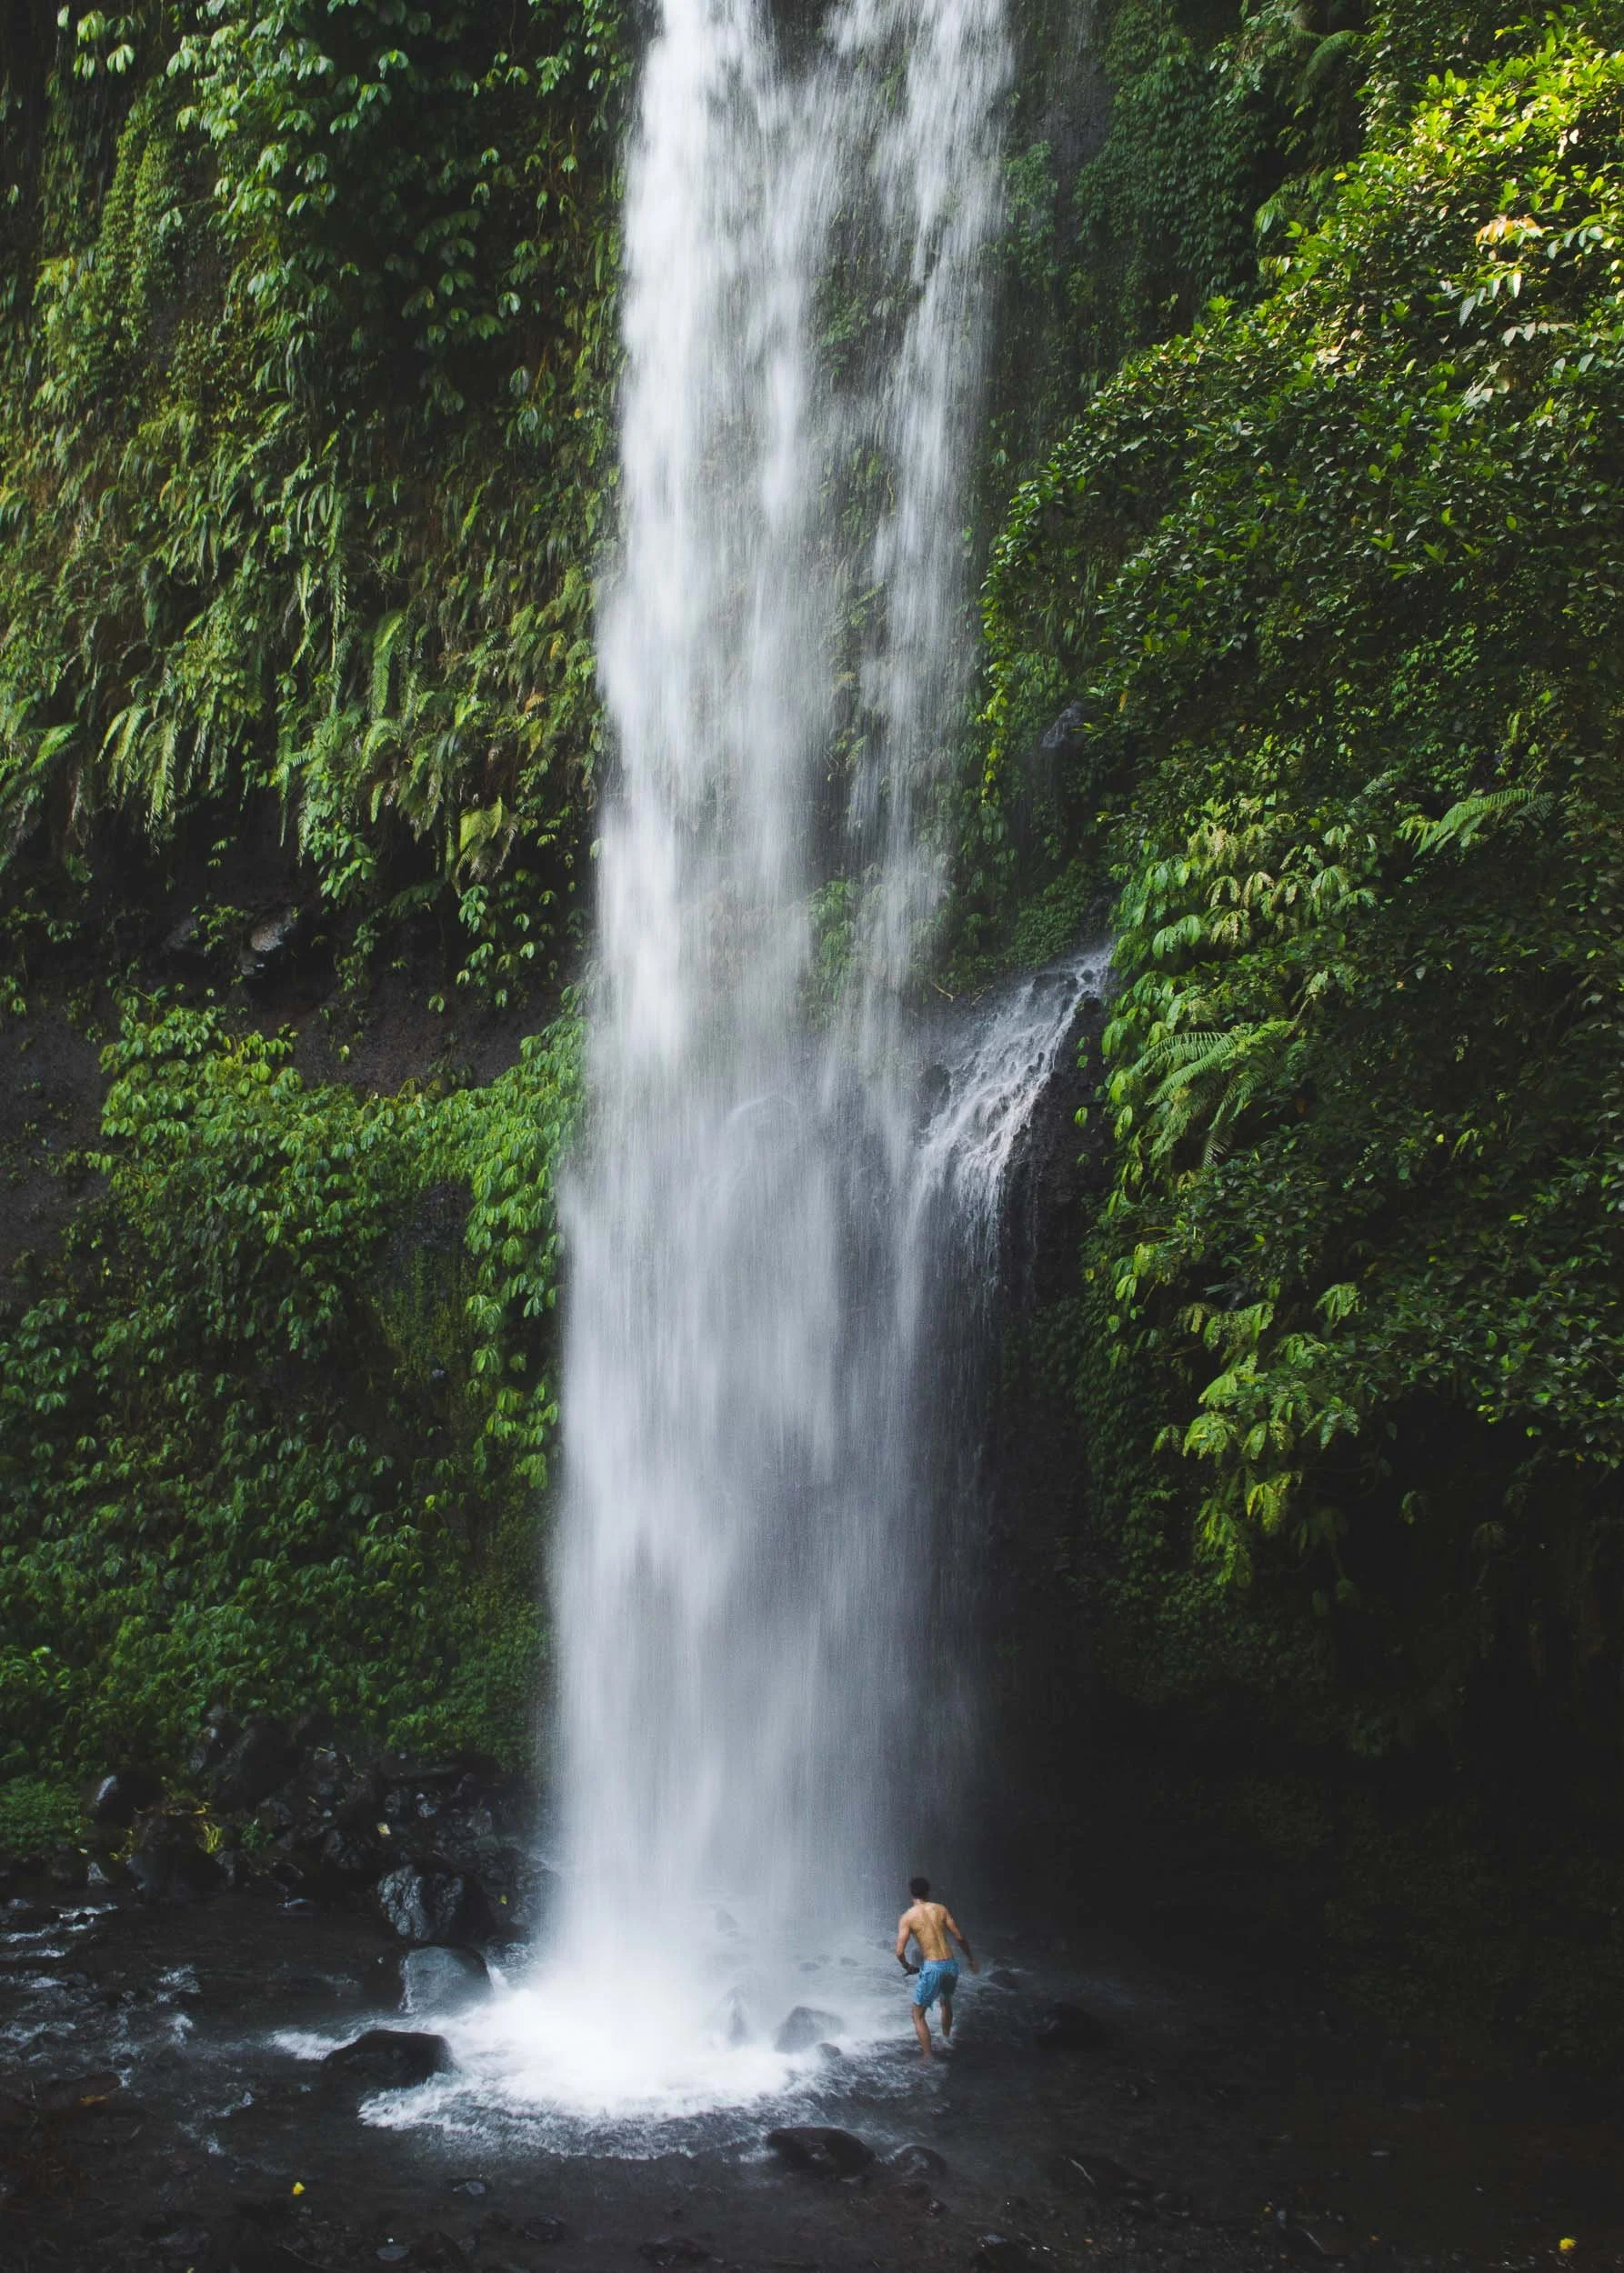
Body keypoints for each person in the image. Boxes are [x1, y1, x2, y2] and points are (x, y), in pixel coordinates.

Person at [895, 1874, 977, 2060]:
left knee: (917, 2015)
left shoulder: (908, 1917)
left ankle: (927, 2057)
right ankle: (946, 2039)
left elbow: (899, 1951)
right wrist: (971, 1958)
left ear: (911, 1893)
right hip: (950, 1964)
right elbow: (959, 1937)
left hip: (933, 1967)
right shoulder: (941, 1909)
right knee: (945, 2000)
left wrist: (908, 1966)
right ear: (928, 1892)